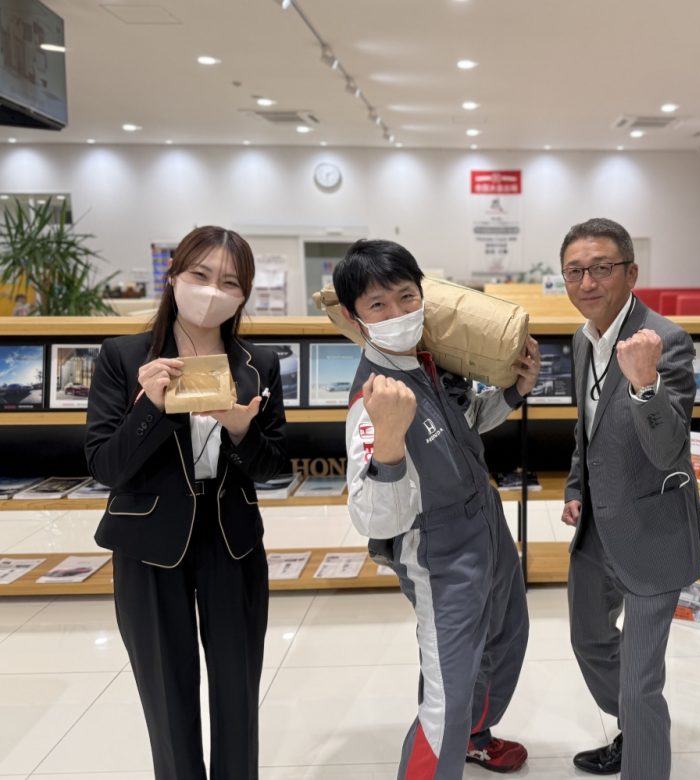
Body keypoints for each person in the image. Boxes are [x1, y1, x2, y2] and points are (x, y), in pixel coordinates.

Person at [85, 226, 289, 779]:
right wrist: (149, 408)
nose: (212, 290)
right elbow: (106, 466)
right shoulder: (124, 357)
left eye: (230, 282)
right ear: (173, 276)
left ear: (243, 295)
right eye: (200, 274)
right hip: (149, 543)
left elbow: (274, 465)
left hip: (232, 541)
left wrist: (242, 431)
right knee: (166, 695)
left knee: (237, 692)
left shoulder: (258, 363)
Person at [335, 239, 539, 778]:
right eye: (378, 305)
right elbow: (372, 519)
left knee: (505, 639)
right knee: (447, 694)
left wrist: (514, 392)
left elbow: (461, 426)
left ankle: (476, 737)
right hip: (439, 550)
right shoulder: (371, 399)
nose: (398, 313)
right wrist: (388, 440)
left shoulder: (429, 361)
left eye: (407, 296)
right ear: (355, 317)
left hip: (486, 523)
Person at [558, 218, 700, 779]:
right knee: (589, 639)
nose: (587, 282)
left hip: (652, 527)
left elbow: (670, 449)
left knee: (642, 682)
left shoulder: (666, 340)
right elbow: (587, 427)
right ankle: (632, 729)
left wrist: (645, 383)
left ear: (630, 272)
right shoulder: (582, 339)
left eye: (601, 268)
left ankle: (643, 755)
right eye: (574, 271)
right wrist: (576, 487)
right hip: (597, 522)